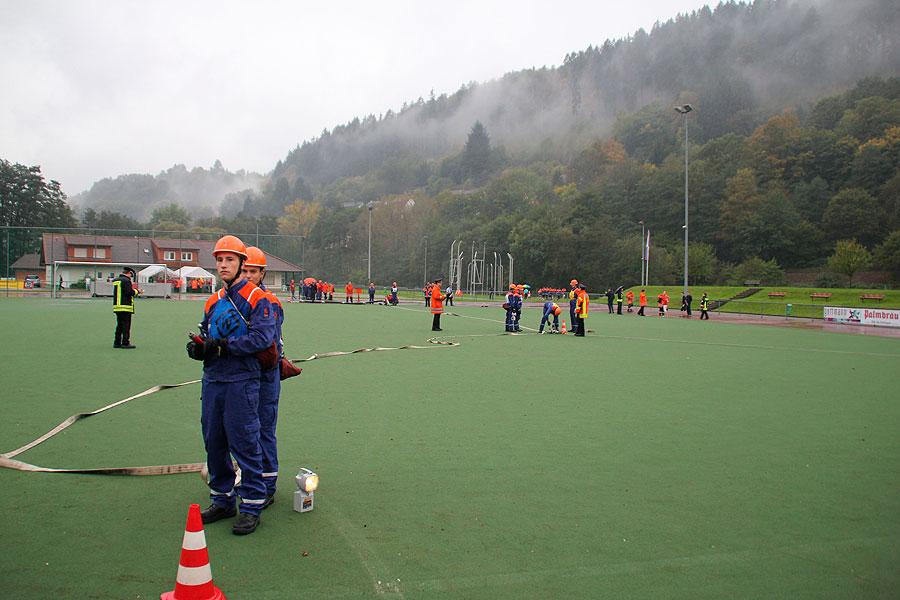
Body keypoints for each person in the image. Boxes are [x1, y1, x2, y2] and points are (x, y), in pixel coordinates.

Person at [185, 235, 276, 536]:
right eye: (220, 260)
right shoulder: (213, 300)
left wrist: (223, 346)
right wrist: (200, 348)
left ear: (241, 264)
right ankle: (222, 499)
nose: (223, 265)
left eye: (229, 260)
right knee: (214, 441)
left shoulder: (257, 298)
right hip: (213, 381)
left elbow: (263, 339)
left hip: (242, 381)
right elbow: (205, 332)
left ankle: (251, 505)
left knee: (246, 442)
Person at [241, 247, 283, 509]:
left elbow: (266, 340)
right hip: (240, 376)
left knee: (264, 429)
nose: (247, 276)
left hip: (265, 374)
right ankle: (246, 477)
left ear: (262, 273)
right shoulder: (229, 299)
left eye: (252, 271)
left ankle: (267, 484)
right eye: (244, 270)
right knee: (241, 429)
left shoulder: (269, 302)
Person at [112, 267, 138, 348]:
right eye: (131, 275)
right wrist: (137, 291)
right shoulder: (126, 281)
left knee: (119, 325)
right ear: (129, 273)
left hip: (117, 306)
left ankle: (117, 342)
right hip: (125, 306)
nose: (131, 277)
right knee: (126, 326)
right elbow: (129, 292)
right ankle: (125, 343)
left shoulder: (117, 280)